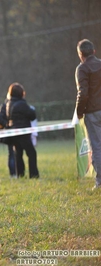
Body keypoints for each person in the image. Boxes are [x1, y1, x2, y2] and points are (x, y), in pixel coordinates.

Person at [75, 39, 101, 190]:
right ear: (94, 51)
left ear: (80, 54)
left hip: (93, 112)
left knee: (97, 147)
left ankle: (100, 182)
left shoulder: (82, 68)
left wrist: (79, 112)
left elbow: (83, 93)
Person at [6, 82, 39, 178]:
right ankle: (33, 175)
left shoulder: (9, 103)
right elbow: (32, 115)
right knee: (31, 153)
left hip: (14, 132)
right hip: (23, 132)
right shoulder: (22, 104)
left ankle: (20, 174)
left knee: (18, 154)